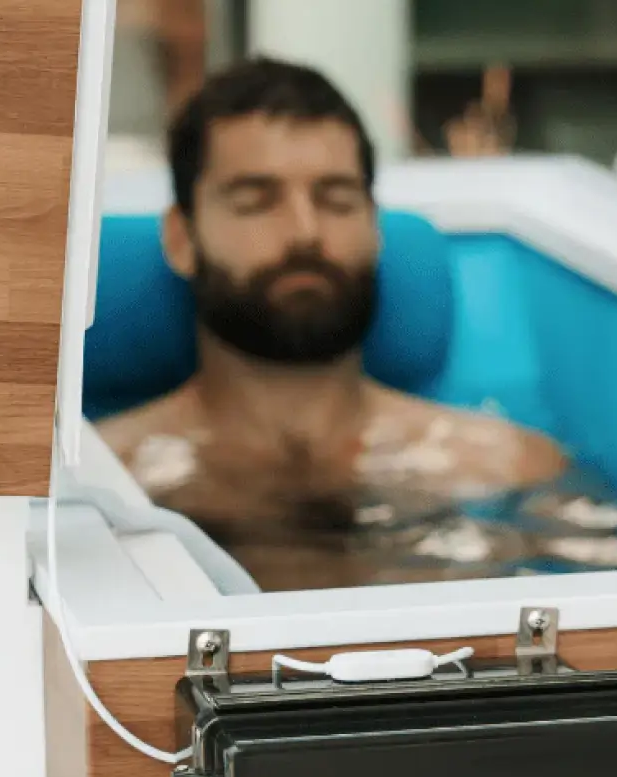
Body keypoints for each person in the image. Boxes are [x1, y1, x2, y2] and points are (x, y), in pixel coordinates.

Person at [99, 57, 568, 590]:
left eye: (337, 199)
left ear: (375, 229)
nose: (305, 232)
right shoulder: (105, 487)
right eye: (256, 201)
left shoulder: (511, 467)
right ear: (181, 239)